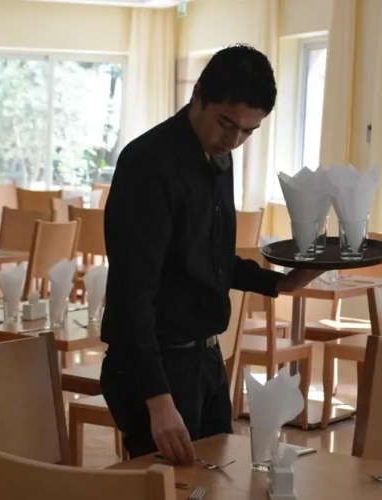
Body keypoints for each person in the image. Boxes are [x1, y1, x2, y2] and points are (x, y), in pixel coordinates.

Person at [99, 44, 323, 464]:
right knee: (173, 489)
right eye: (226, 124)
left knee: (220, 483)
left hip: (205, 359)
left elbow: (210, 258)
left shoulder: (218, 158)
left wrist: (279, 282)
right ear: (198, 94)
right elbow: (132, 294)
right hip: (153, 367)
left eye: (248, 132)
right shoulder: (148, 164)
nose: (233, 141)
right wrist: (158, 398)